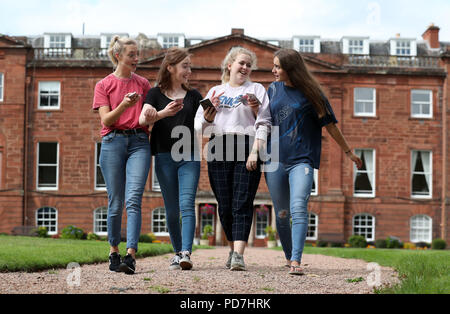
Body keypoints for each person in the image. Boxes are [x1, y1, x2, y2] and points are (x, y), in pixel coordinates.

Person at [265, 48, 363, 275]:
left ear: (291, 69)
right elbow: (264, 121)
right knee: (281, 214)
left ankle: (297, 261)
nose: (273, 70)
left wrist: (349, 152)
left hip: (302, 160)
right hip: (275, 160)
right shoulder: (272, 89)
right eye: (274, 65)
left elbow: (330, 126)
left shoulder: (313, 94)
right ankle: (289, 257)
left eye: (278, 66)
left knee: (298, 206)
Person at [195, 46, 271, 271]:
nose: (245, 67)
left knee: (242, 202)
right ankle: (231, 250)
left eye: (249, 65)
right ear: (230, 65)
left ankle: (238, 255)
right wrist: (209, 117)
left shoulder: (256, 89)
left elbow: (265, 122)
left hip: (247, 144)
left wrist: (256, 151)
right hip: (218, 145)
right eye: (242, 63)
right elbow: (198, 126)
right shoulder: (215, 91)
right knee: (225, 205)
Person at [93, 36, 156, 275]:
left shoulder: (143, 83)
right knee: (116, 201)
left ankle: (130, 255)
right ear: (118, 56)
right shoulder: (104, 85)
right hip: (112, 142)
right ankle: (113, 251)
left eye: (137, 54)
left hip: (139, 142)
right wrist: (125, 106)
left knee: (134, 199)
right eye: (131, 55)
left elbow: (150, 112)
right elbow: (106, 119)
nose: (136, 58)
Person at [139, 47, 202, 270]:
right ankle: (177, 252)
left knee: (186, 204)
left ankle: (186, 253)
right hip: (164, 156)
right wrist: (162, 113)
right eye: (185, 66)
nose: (189, 71)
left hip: (190, 156)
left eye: (190, 66)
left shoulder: (194, 96)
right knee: (172, 209)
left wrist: (211, 116)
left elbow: (206, 122)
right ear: (170, 67)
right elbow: (142, 119)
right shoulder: (154, 94)